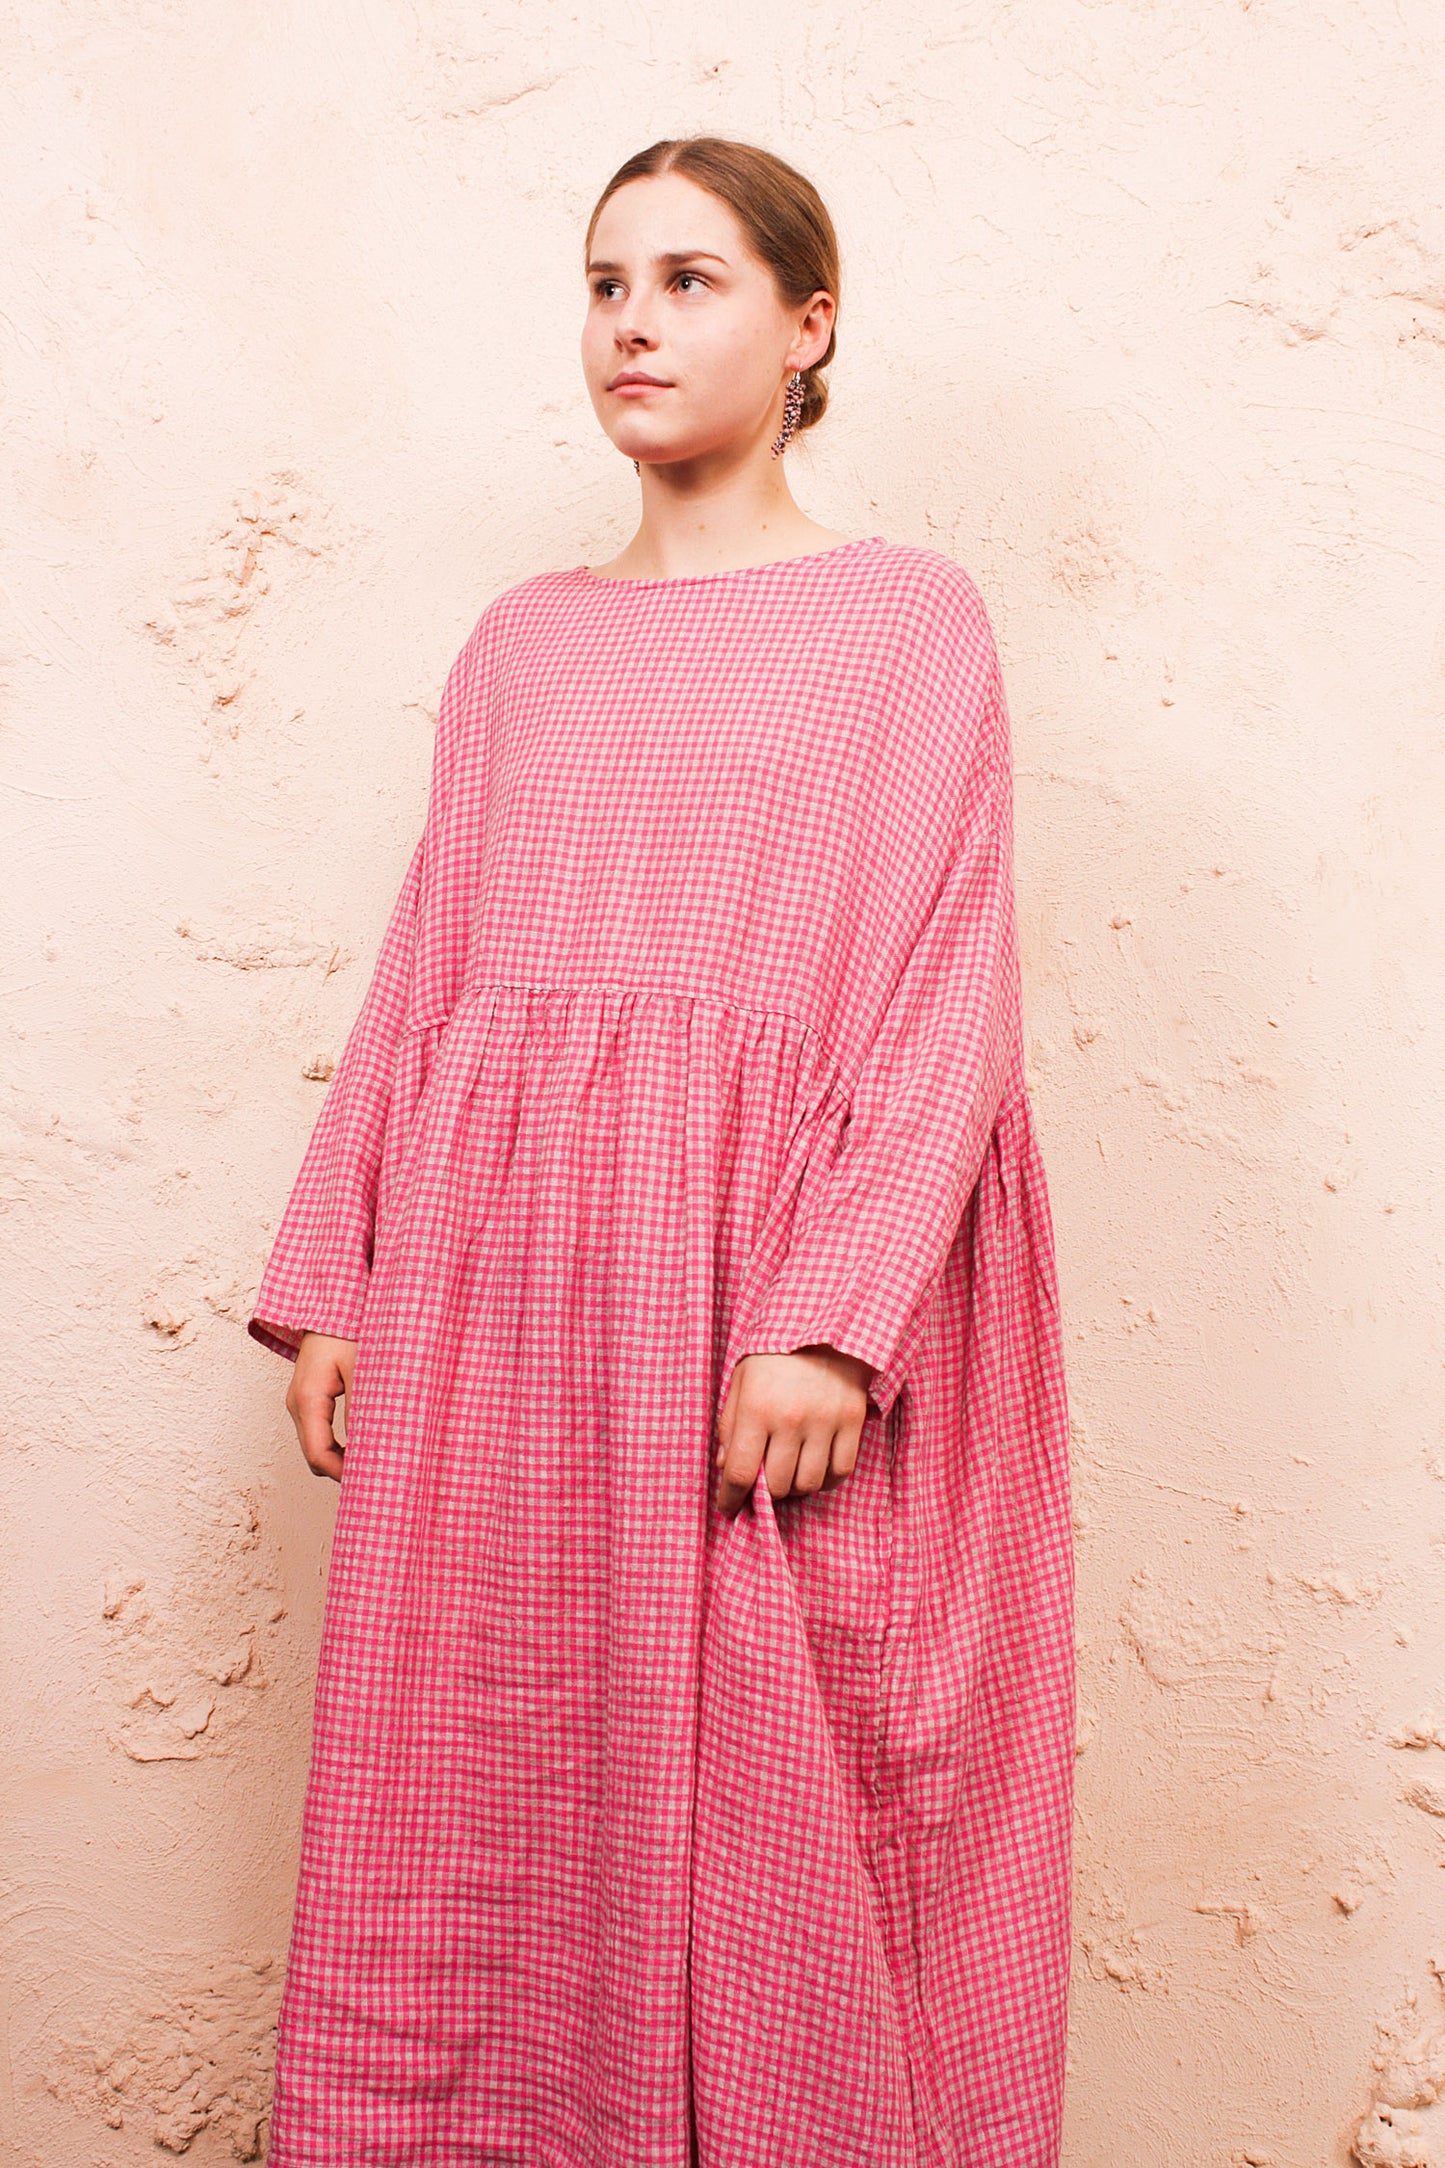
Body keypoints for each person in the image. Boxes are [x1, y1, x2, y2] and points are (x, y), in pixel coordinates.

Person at [249, 132, 1076, 2168]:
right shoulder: (520, 641)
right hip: (506, 1304)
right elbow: (431, 967)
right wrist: (343, 1275)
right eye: (607, 282)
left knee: (792, 1808)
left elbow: (944, 985)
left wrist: (833, 1319)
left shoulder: (903, 623)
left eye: (691, 281)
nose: (632, 322)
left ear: (808, 328)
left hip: (758, 1293)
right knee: (487, 1769)